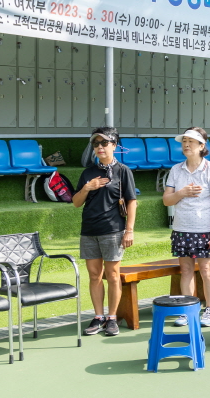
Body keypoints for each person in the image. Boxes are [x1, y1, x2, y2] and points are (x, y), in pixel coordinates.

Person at [73, 127, 137, 337]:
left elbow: (131, 201)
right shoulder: (88, 173)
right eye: (96, 144)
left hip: (113, 230)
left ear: (114, 145)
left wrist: (129, 230)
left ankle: (112, 317)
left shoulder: (123, 171)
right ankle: (98, 316)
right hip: (89, 229)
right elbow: (76, 202)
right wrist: (87, 187)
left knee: (112, 275)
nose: (100, 147)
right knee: (94, 275)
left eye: (104, 143)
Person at [163, 127, 210, 327]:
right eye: (184, 141)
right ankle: (187, 309)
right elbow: (167, 200)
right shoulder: (175, 170)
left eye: (191, 141)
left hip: (205, 229)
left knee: (207, 270)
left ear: (202, 146)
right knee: (186, 269)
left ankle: (209, 309)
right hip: (181, 228)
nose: (186, 145)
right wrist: (182, 193)